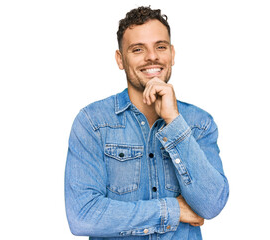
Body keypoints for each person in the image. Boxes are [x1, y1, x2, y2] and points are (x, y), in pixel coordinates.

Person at [65, 6, 229, 240]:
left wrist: (174, 122)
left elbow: (211, 204)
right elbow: (83, 215)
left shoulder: (199, 123)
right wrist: (172, 210)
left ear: (172, 54)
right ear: (120, 59)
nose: (152, 56)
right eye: (138, 49)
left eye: (160, 47)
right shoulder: (93, 123)